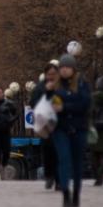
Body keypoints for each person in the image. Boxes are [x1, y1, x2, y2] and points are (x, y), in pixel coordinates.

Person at [51, 54, 91, 207]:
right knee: (64, 159)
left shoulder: (81, 84)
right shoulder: (55, 86)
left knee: (77, 162)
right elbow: (51, 103)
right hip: (60, 129)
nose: (64, 70)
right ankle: (66, 192)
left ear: (73, 69)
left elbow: (85, 103)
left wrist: (65, 107)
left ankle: (76, 194)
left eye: (67, 67)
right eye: (62, 67)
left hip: (79, 128)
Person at [30, 62, 60, 190]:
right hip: (46, 125)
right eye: (49, 74)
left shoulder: (61, 87)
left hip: (60, 124)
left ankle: (59, 180)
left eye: (54, 74)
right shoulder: (39, 88)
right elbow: (33, 103)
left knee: (59, 152)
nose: (52, 76)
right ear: (46, 74)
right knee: (48, 151)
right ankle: (49, 176)